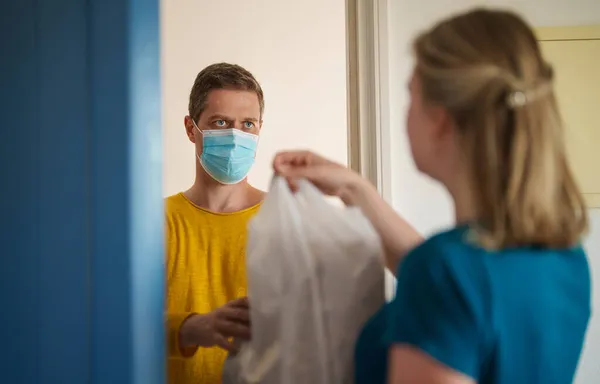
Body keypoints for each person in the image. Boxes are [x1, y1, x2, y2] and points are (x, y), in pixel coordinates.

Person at [274, 8, 591, 384]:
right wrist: (352, 188)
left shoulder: (444, 271)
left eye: (411, 94)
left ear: (440, 118)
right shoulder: (566, 257)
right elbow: (465, 292)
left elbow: (449, 283)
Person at [165, 63, 265, 384]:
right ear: (191, 128)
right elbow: (118, 325)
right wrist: (190, 328)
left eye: (247, 124)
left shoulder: (286, 221)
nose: (236, 137)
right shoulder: (154, 224)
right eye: (221, 123)